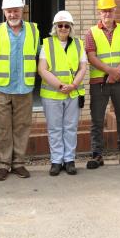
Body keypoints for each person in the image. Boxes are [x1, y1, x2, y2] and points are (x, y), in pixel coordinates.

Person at [0, 0, 40, 181]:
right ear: (3, 12)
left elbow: (38, 56)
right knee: (1, 128)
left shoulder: (34, 30)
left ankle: (18, 163)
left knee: (22, 127)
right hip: (0, 88)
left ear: (22, 11)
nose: (12, 14)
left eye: (16, 10)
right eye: (9, 11)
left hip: (24, 87)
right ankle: (3, 164)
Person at [84, 0, 120, 169]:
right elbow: (91, 56)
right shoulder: (91, 32)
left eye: (110, 10)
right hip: (99, 82)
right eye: (104, 10)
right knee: (97, 119)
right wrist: (110, 71)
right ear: (99, 12)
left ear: (115, 11)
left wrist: (117, 72)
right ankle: (97, 154)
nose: (107, 13)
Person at [37, 10, 88, 176]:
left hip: (72, 93)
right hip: (52, 94)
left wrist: (73, 85)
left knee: (70, 128)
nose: (63, 28)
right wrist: (60, 86)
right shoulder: (47, 44)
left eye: (66, 25)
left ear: (71, 27)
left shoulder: (79, 44)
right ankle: (56, 161)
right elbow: (42, 69)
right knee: (54, 129)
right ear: (55, 27)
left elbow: (83, 68)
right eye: (60, 25)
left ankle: (69, 160)